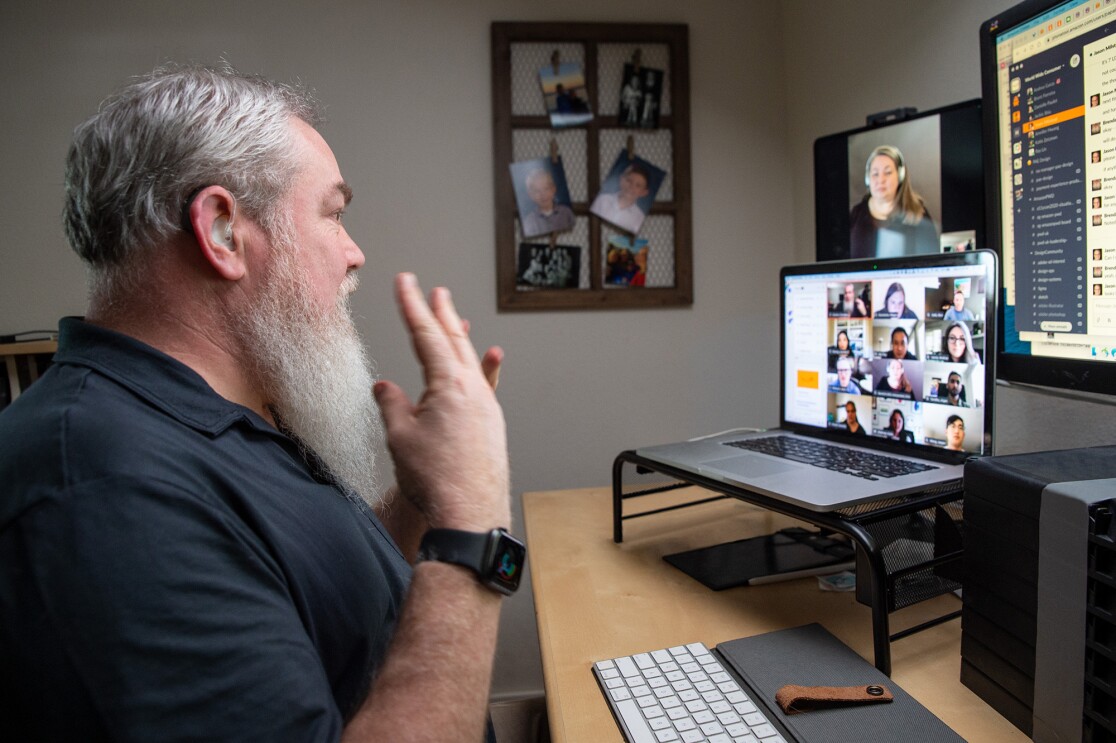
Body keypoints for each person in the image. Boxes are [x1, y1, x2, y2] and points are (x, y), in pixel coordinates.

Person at [0, 64, 519, 741]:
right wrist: (474, 526)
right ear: (221, 231)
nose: (354, 253)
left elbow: (330, 598)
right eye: (333, 214)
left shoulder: (226, 413)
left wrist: (427, 498)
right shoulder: (106, 490)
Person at [849, 145, 938, 258]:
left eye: (888, 172)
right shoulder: (856, 214)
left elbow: (932, 262)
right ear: (868, 179)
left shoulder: (918, 214)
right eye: (875, 174)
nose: (881, 180)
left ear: (900, 176)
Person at [590, 161, 651, 233]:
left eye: (638, 186)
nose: (631, 187)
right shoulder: (602, 200)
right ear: (621, 179)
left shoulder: (639, 217)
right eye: (629, 181)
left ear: (644, 192)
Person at [520, 166, 574, 237]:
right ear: (531, 195)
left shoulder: (566, 212)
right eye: (537, 191)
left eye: (546, 189)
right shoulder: (529, 221)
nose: (543, 195)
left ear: (553, 189)